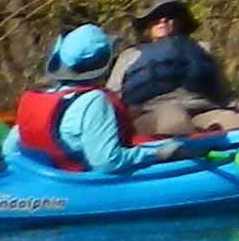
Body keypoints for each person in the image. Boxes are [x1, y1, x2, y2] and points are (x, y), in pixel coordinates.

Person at [11, 23, 154, 174]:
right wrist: (156, 154)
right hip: (79, 186)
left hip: (39, 180)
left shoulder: (43, 97)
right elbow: (107, 163)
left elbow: (11, 150)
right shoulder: (95, 101)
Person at [118, 0, 239, 138]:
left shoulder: (203, 49)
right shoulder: (130, 55)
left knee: (238, 126)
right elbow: (112, 97)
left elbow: (225, 94)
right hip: (152, 113)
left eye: (170, 15)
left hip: (203, 110)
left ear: (181, 22)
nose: (163, 20)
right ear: (148, 24)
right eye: (156, 17)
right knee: (175, 120)